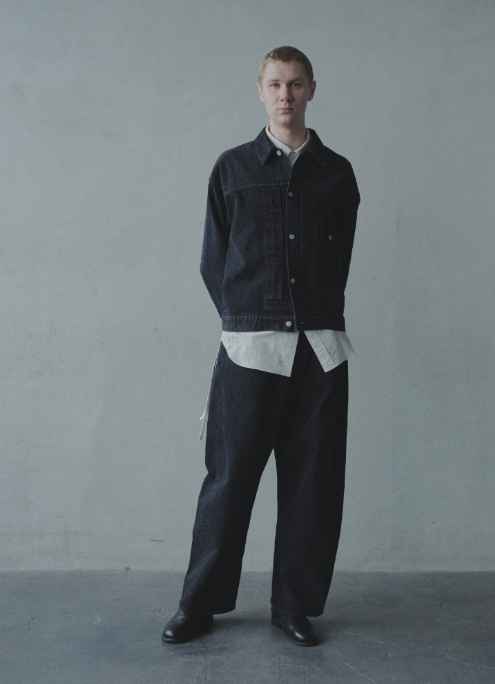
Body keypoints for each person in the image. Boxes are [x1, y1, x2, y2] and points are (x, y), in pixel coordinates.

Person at [161, 45, 361, 647]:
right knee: (228, 481)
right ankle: (199, 604)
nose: (285, 95)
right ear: (260, 91)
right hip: (250, 349)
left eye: (296, 84)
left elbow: (340, 257)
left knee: (312, 484)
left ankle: (293, 606)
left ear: (311, 90)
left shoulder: (336, 172)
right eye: (275, 84)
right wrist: (245, 319)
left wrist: (316, 311)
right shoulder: (233, 169)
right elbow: (213, 259)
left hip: (319, 351)